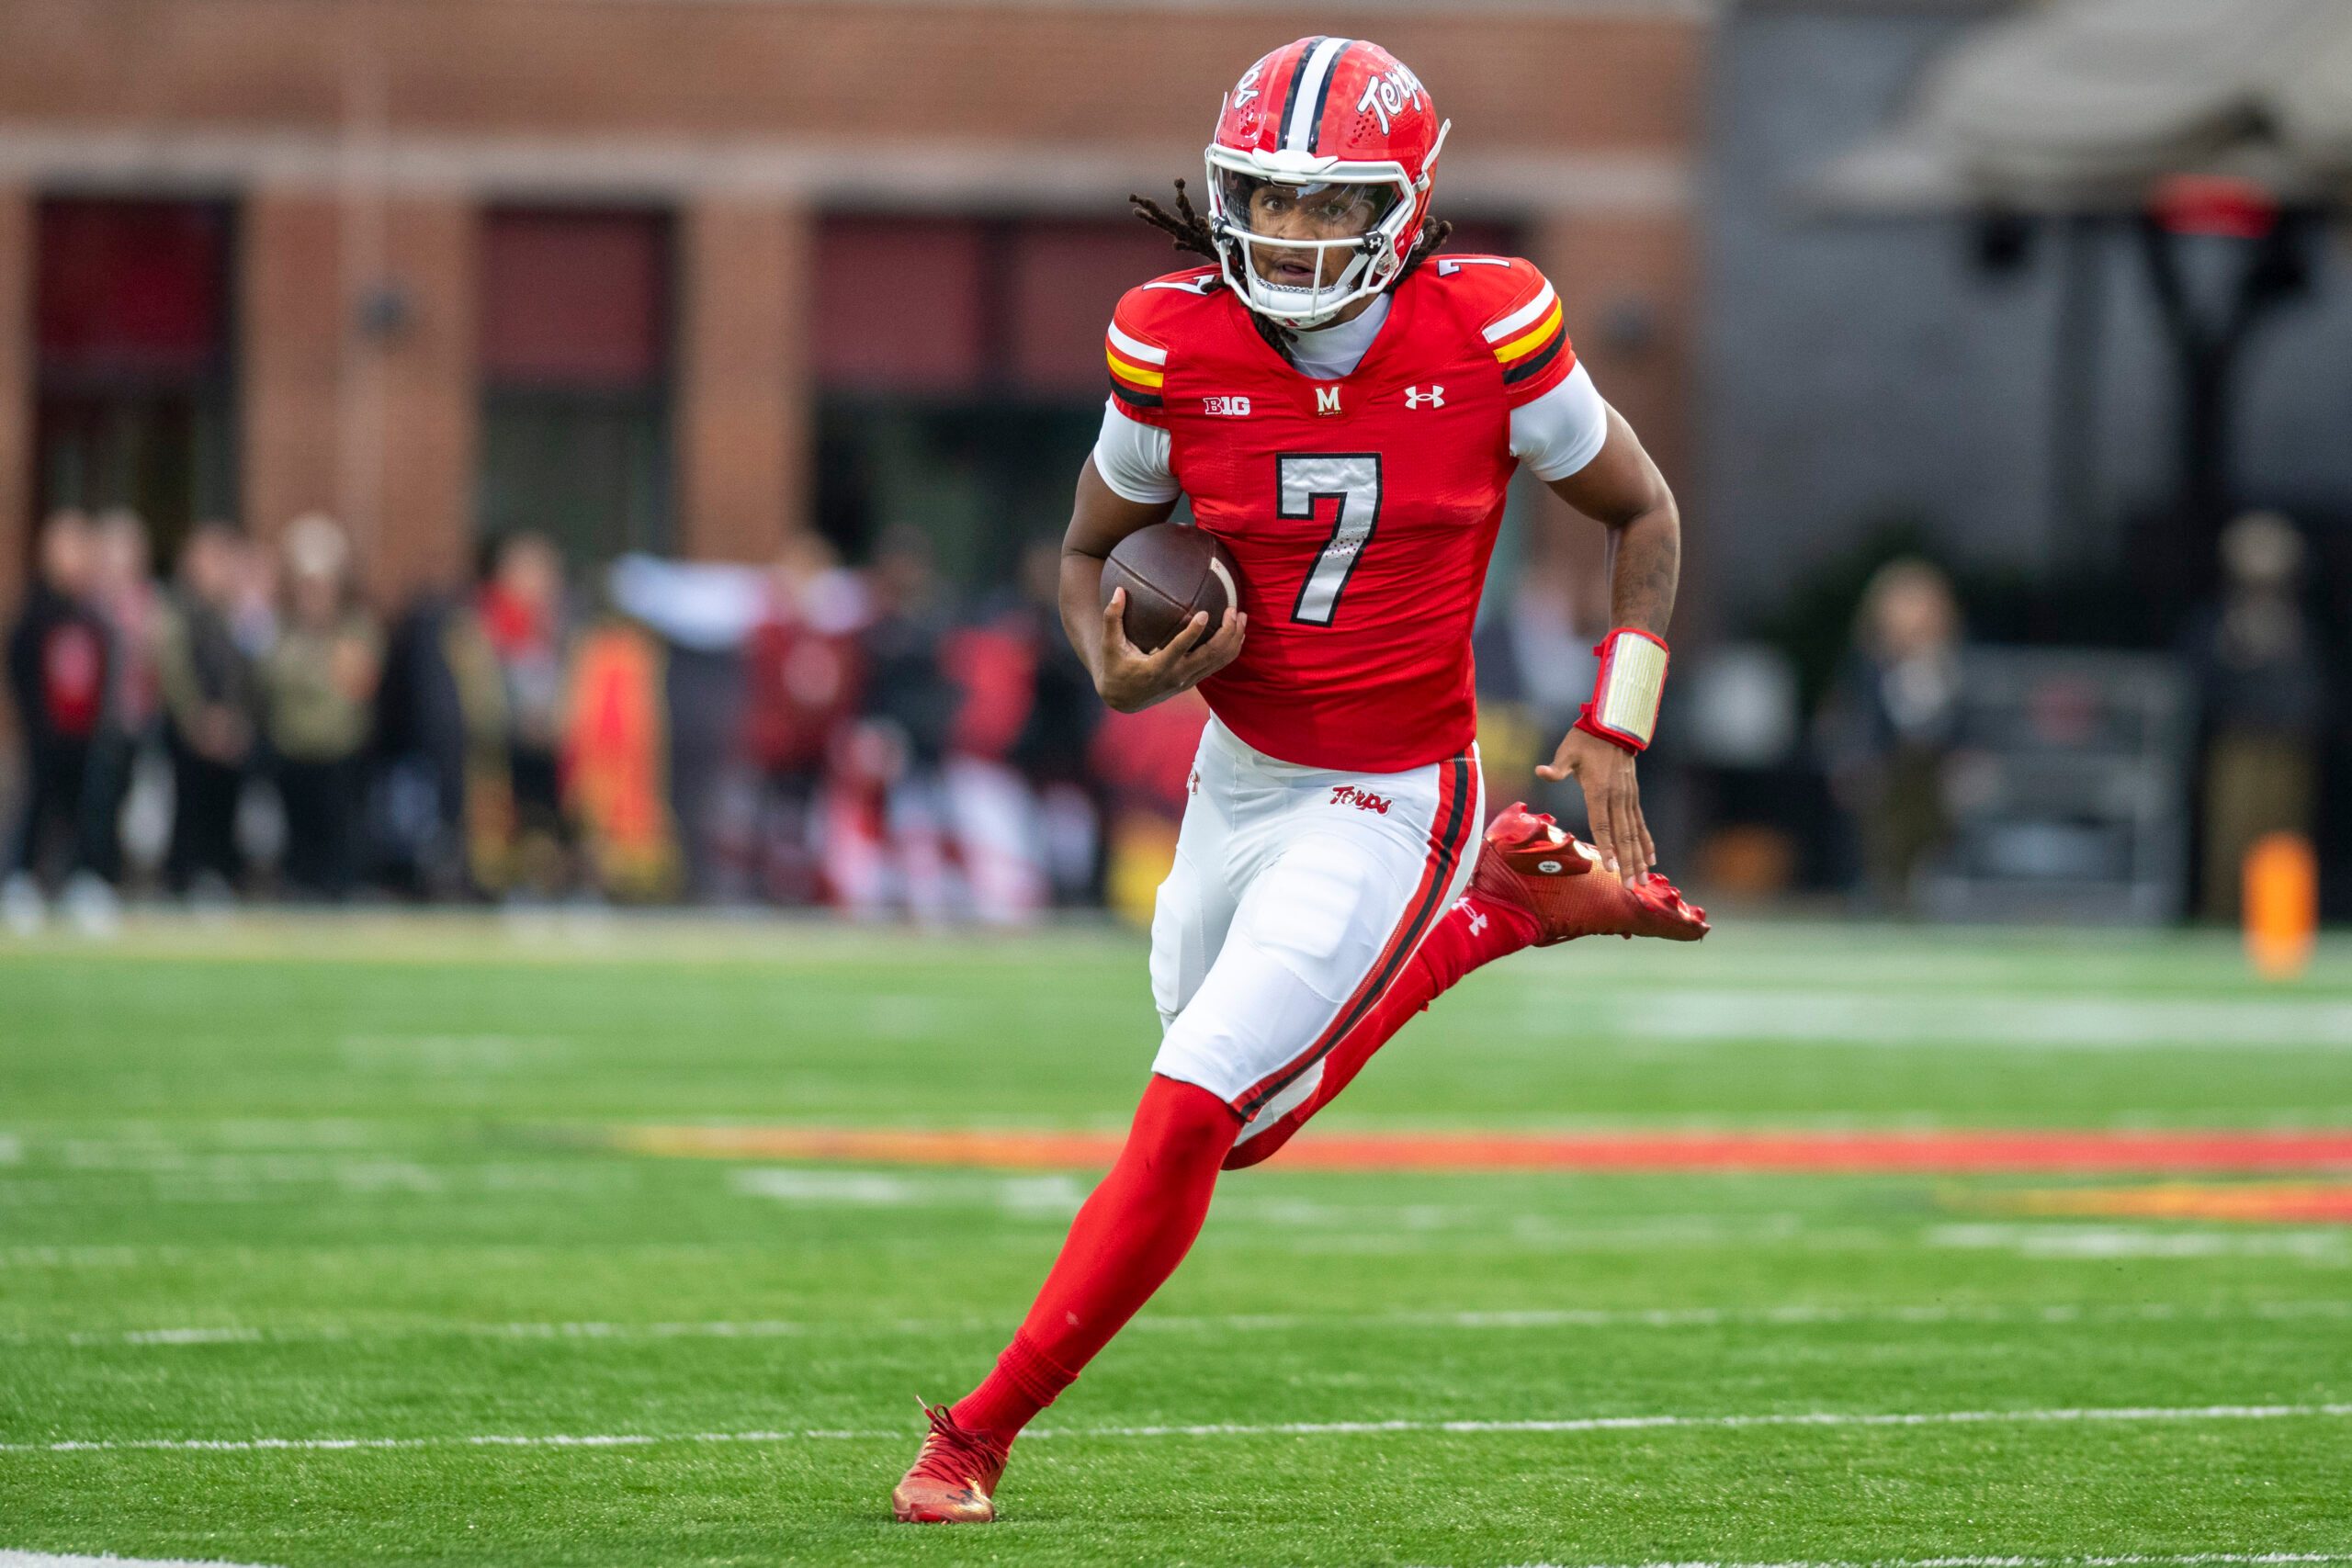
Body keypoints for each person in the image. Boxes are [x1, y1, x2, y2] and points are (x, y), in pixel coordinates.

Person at [891, 36, 1707, 1524]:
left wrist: (1617, 715)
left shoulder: (1498, 327)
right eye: (1266, 200)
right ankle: (1506, 914)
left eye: (1330, 208)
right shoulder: (1167, 336)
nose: (1289, 235)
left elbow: (1642, 509)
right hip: (1241, 768)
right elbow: (1086, 554)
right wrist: (1110, 663)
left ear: (1403, 210)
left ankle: (976, 1433)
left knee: (1193, 1108)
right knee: (1245, 1121)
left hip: (1396, 788)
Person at [2186, 511, 2327, 921]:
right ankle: (2224, 916)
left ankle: (2282, 918)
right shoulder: (2222, 620)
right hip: (2239, 743)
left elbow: (2314, 684)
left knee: (2285, 837)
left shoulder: (2299, 621)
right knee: (2232, 834)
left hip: (2290, 743)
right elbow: (2204, 679)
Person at [1818, 558, 1964, 912]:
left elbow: (1962, 727)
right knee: (1880, 793)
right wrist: (1854, 761)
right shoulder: (1868, 667)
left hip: (1934, 777)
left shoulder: (1952, 666)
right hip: (1884, 773)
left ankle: (1928, 876)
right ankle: (1881, 882)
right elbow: (1852, 722)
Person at [259, 516, 381, 899]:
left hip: (338, 749)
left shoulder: (356, 628)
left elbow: (354, 686)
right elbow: (271, 677)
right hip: (292, 747)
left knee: (340, 835)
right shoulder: (280, 628)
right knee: (298, 840)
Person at [4, 510, 110, 931]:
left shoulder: (90, 617)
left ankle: (81, 880)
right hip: (43, 732)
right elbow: (20, 667)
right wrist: (34, 719)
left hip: (82, 733)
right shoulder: (35, 614)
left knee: (84, 806)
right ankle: (21, 880)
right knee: (35, 805)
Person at [154, 523, 257, 897]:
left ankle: (220, 874)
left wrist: (236, 719)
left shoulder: (241, 614)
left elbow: (249, 673)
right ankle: (182, 877)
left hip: (230, 728)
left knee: (225, 806)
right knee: (188, 804)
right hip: (190, 729)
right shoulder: (178, 610)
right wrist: (198, 719)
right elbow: (174, 670)